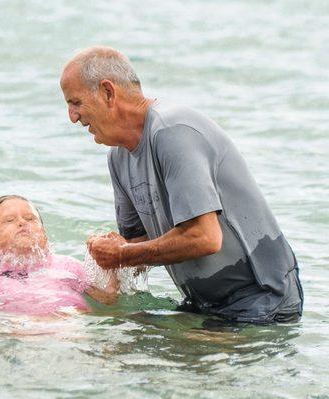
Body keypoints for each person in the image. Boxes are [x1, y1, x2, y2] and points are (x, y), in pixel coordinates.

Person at [59, 46, 303, 324]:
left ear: (108, 92)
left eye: (75, 102)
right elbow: (141, 249)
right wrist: (81, 280)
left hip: (263, 299)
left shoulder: (172, 131)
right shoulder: (118, 157)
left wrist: (122, 254)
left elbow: (204, 237)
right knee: (124, 341)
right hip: (204, 304)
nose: (72, 117)